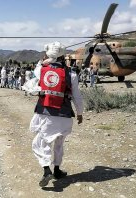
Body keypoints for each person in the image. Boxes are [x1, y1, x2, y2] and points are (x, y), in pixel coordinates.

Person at [30, 41, 83, 187]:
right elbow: (77, 96)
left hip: (46, 113)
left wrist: (43, 60)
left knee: (40, 143)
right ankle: (57, 170)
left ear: (47, 55)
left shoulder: (41, 69)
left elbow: (37, 68)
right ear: (63, 56)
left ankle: (47, 170)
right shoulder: (71, 73)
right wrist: (79, 113)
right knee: (59, 143)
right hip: (65, 114)